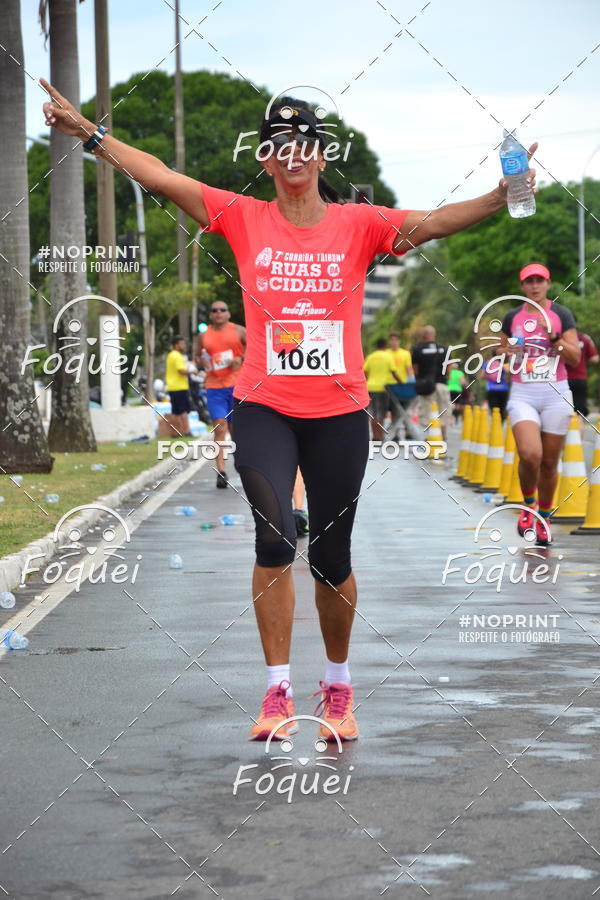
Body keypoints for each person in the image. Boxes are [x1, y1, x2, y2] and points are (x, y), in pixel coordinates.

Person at [42, 79, 538, 742]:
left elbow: (438, 222)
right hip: (263, 407)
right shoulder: (242, 217)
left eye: (304, 142)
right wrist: (91, 135)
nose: (293, 153)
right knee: (275, 538)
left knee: (331, 556)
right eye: (280, 145)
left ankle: (337, 686)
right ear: (267, 160)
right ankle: (277, 691)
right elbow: (161, 177)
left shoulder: (361, 225)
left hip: (337, 413)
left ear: (321, 157)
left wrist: (502, 195)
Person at [498, 263, 580, 545]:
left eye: (540, 281)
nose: (534, 286)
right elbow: (501, 350)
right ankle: (529, 505)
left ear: (548, 283)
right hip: (523, 392)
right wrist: (507, 351)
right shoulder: (513, 316)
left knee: (548, 463)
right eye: (529, 281)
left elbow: (575, 357)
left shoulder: (561, 315)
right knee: (529, 454)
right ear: (522, 286)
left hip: (556, 392)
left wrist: (554, 337)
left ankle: (544, 518)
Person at [195, 302, 246, 488]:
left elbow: (255, 350)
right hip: (214, 386)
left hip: (237, 386)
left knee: (236, 431)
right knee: (219, 428)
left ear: (228, 314)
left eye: (222, 310)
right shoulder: (203, 335)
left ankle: (239, 463)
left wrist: (241, 358)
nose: (218, 313)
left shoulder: (239, 331)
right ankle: (221, 472)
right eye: (214, 310)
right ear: (210, 315)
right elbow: (197, 357)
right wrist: (203, 362)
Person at [412, 326, 451, 439]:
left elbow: (415, 370)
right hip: (442, 385)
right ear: (434, 335)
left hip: (426, 386)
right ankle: (442, 438)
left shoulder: (418, 350)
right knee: (442, 412)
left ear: (423, 335)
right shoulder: (444, 349)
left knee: (428, 413)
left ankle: (431, 438)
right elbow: (449, 368)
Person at [364, 339, 401, 441]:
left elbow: (365, 373)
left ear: (377, 346)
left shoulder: (371, 357)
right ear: (385, 347)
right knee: (381, 413)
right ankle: (380, 436)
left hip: (370, 387)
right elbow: (394, 372)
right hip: (382, 388)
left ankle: (375, 437)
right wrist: (401, 383)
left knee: (373, 413)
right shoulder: (388, 357)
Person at [566, 314, 598, 427]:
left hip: (561, 380)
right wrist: (583, 361)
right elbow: (595, 358)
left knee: (560, 413)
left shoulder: (558, 338)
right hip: (579, 379)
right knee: (578, 413)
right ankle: (577, 442)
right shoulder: (584, 338)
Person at [386, 333, 416, 439]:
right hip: (389, 385)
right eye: (392, 340)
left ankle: (408, 431)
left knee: (405, 409)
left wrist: (411, 380)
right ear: (389, 341)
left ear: (399, 341)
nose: (394, 342)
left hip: (402, 385)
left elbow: (409, 368)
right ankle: (396, 434)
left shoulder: (405, 354)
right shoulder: (386, 353)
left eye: (396, 340)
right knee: (395, 410)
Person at [165, 336, 192, 436]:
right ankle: (186, 431)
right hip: (180, 386)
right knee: (183, 410)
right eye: (182, 344)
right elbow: (181, 371)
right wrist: (193, 372)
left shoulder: (170, 355)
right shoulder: (177, 356)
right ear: (176, 345)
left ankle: (175, 432)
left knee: (175, 411)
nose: (184, 346)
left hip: (172, 386)